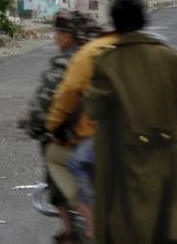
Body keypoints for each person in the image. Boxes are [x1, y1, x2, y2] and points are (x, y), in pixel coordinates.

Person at [83, 0, 177, 244]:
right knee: (169, 222)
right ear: (143, 21)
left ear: (114, 24)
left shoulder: (108, 62)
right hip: (170, 154)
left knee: (129, 225)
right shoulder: (168, 57)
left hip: (126, 158)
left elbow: (94, 108)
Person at [21, 10, 95, 243]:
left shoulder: (66, 63)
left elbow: (47, 105)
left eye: (58, 33)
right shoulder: (100, 55)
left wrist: (34, 126)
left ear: (66, 36)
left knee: (52, 156)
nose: (56, 37)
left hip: (78, 140)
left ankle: (76, 227)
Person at [45, 21, 118, 242]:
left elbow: (66, 96)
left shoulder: (86, 56)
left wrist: (53, 127)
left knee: (57, 158)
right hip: (147, 139)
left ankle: (90, 222)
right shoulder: (152, 51)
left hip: (100, 140)